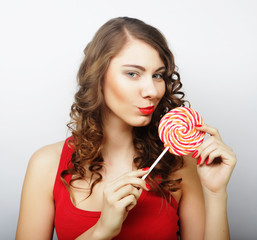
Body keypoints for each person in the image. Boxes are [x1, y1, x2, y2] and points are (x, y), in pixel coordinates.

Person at [16, 17, 236, 240]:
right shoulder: (46, 165)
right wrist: (101, 231)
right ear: (97, 74)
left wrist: (215, 194)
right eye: (133, 73)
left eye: (157, 75)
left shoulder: (179, 164)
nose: (152, 90)